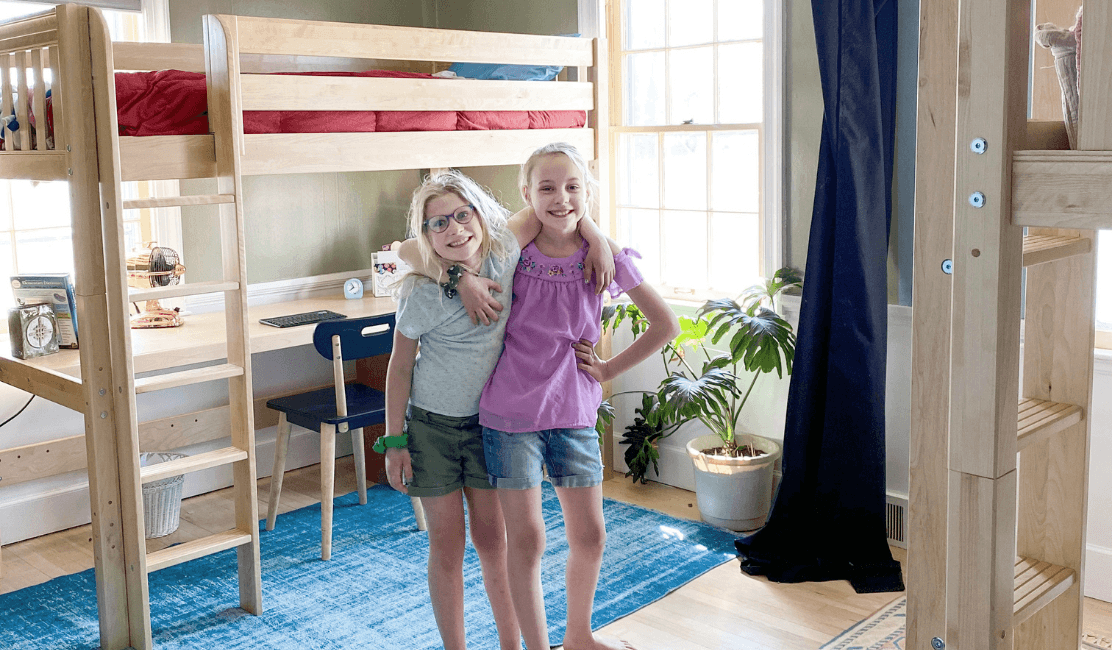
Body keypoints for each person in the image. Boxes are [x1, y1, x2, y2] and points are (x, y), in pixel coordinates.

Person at [379, 170, 612, 650]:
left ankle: (514, 644)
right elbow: (399, 368)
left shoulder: (506, 254)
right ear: (425, 234)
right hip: (430, 431)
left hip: (491, 426)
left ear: (481, 217)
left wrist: (598, 237)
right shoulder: (419, 291)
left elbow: (562, 209)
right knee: (446, 546)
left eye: (463, 216)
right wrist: (395, 441)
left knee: (494, 541)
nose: (454, 229)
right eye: (437, 224)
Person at [479, 142, 679, 650]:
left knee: (590, 536)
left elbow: (666, 324)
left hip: (573, 412)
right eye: (546, 188)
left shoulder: (603, 257)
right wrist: (590, 229)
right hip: (510, 412)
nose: (561, 198)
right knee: (527, 540)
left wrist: (608, 369)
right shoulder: (513, 250)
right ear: (527, 195)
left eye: (572, 187)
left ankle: (579, 636)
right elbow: (505, 233)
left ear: (587, 192)